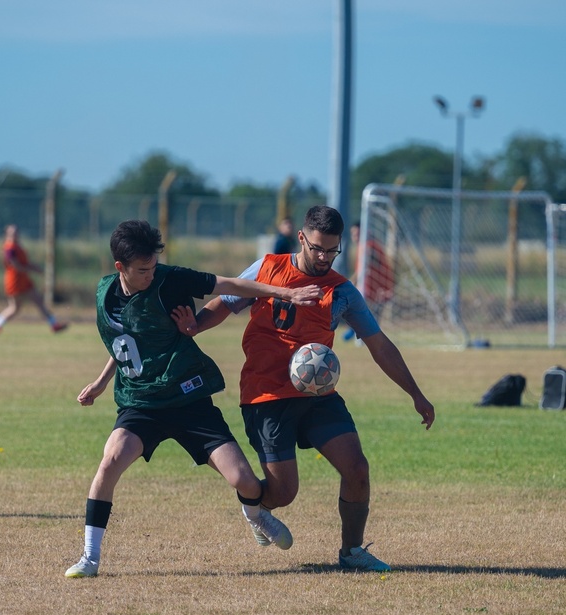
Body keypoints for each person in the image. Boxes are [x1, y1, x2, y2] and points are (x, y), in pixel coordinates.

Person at [176, 205, 434, 573]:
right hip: (267, 396)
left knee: (357, 469)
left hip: (317, 395)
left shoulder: (342, 292)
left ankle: (352, 551)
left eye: (332, 250)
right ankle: (254, 505)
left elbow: (380, 345)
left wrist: (416, 394)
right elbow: (225, 302)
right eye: (317, 248)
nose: (324, 257)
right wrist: (195, 326)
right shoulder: (267, 268)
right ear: (302, 238)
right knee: (283, 494)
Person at [64, 219, 322, 578]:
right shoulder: (105, 293)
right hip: (142, 404)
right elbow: (129, 341)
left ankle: (254, 515)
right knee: (109, 463)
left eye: (154, 266)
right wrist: (101, 382)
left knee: (246, 484)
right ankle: (90, 558)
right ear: (119, 267)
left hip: (189, 400)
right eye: (142, 270)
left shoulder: (170, 280)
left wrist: (286, 293)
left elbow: (229, 284)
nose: (151, 275)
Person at [0, 224, 68, 333]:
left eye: (16, 232)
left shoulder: (17, 246)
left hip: (24, 280)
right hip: (14, 281)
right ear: (7, 234)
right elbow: (16, 266)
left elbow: (23, 263)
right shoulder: (9, 248)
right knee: (15, 307)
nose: (15, 235)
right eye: (12, 233)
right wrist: (32, 269)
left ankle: (54, 324)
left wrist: (33, 267)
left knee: (38, 302)